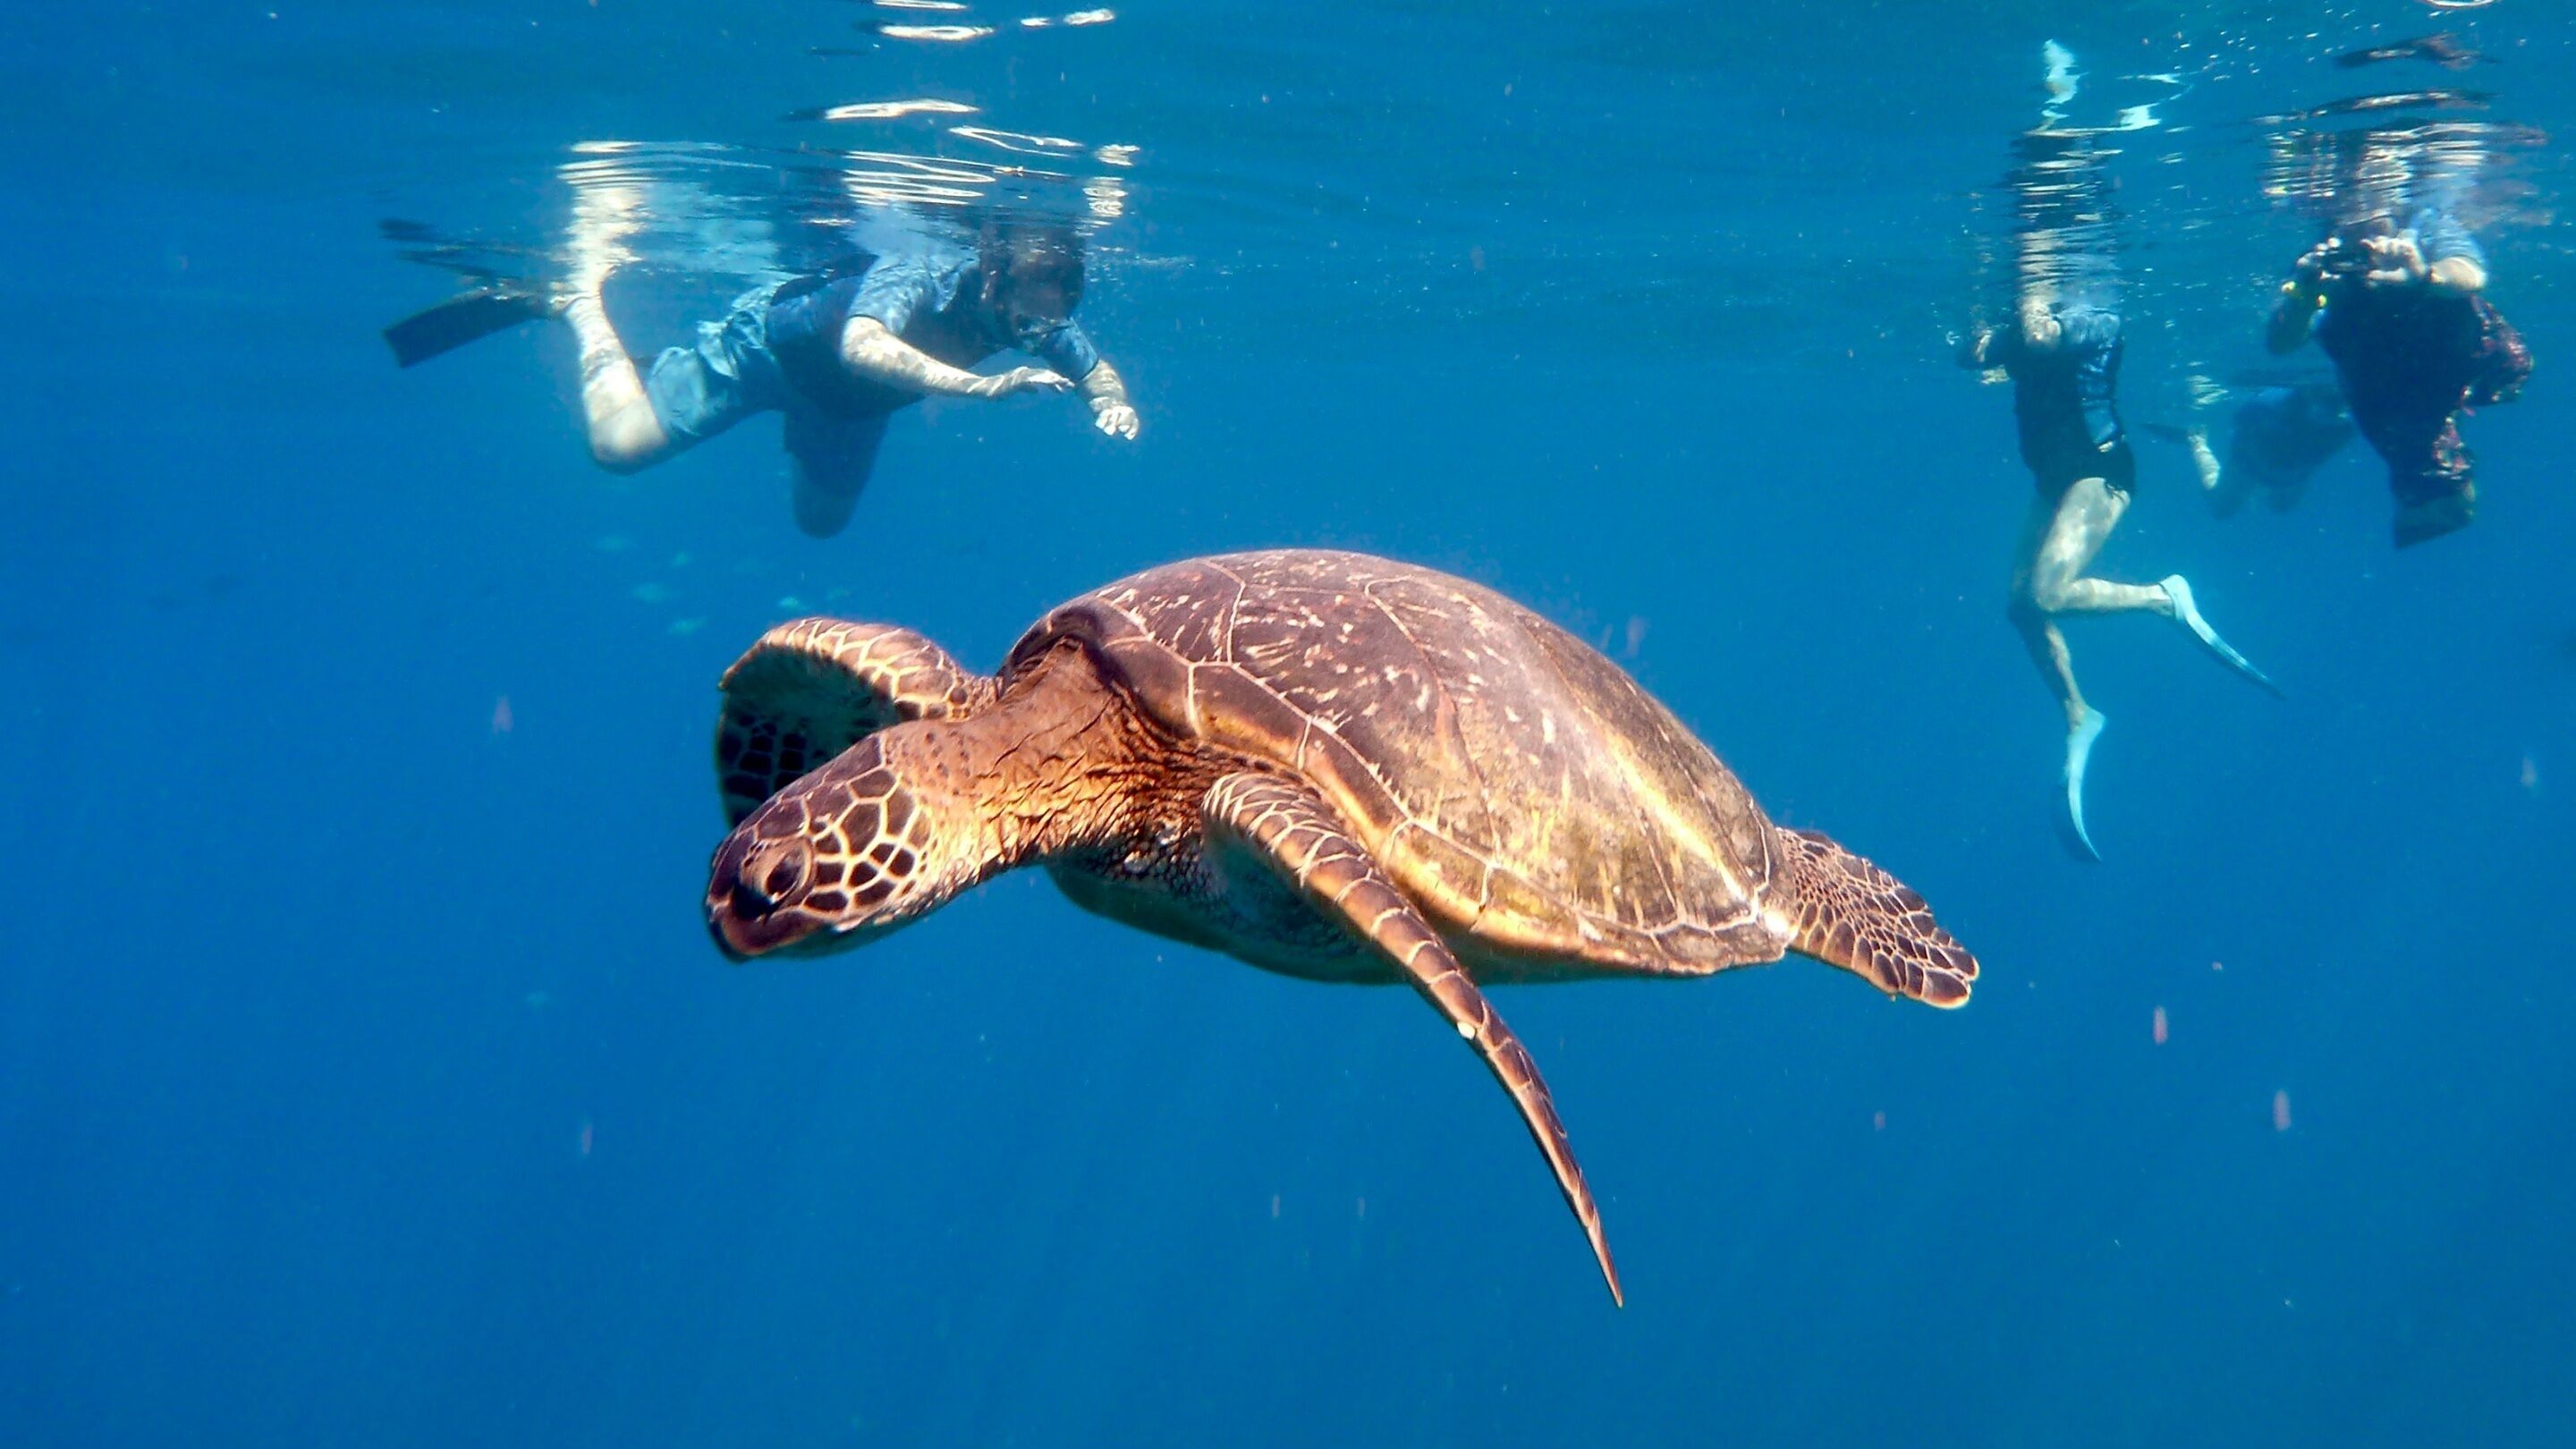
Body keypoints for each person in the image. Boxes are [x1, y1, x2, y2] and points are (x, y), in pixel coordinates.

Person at [386, 191, 1140, 538]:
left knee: (819, 526)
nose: (1035, 329)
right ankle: (577, 299)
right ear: (992, 272)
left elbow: (1092, 366)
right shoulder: (920, 265)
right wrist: (981, 385)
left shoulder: (1038, 313)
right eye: (1026, 312)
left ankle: (685, 383)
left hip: (853, 407)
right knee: (616, 448)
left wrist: (1111, 403)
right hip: (769, 352)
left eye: (1050, 315)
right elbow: (861, 345)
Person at [1959, 117, 2276, 860]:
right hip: (2053, 473)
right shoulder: (2034, 309)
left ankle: (2164, 596)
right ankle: (2079, 713)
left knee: (2046, 592)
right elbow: (1974, 357)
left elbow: (2035, 340)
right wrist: (1987, 329)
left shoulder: (2096, 307)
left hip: (2101, 471)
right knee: (2018, 604)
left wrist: (2021, 300)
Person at [2265, 208, 2530, 547]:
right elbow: (2279, 342)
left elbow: (2470, 273)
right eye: (2351, 231)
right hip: (2386, 374)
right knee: (2413, 452)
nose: (2364, 240)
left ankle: (2445, 517)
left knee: (2503, 374)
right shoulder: (2324, 259)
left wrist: (2424, 274)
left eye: (2375, 225)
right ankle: (2435, 519)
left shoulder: (2424, 226)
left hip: (2448, 348)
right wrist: (2303, 293)